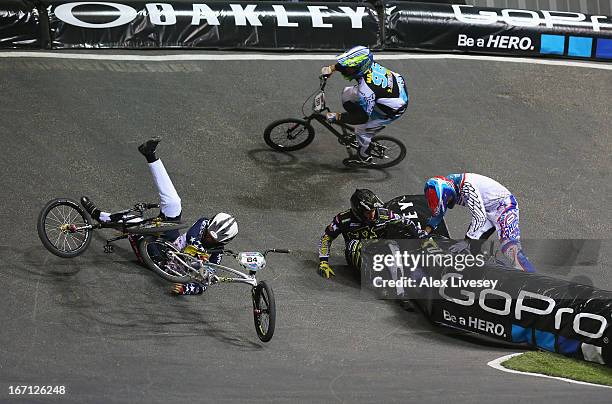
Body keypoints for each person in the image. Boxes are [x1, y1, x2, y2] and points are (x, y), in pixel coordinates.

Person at [80, 137, 239, 295]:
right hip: (171, 241)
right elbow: (191, 236)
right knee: (173, 203)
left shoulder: (217, 254)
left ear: (222, 242)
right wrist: (200, 253)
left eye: (213, 239)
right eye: (209, 233)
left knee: (135, 222)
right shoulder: (204, 222)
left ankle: (100, 216)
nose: (208, 238)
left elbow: (204, 283)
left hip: (158, 257)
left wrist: (186, 289)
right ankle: (150, 154)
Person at [423, 173, 535, 273]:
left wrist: (466, 241)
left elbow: (479, 217)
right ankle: (488, 271)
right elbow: (439, 213)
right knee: (472, 250)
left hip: (504, 205)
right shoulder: (447, 184)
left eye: (447, 200)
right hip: (486, 210)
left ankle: (532, 281)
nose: (448, 202)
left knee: (510, 248)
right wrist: (425, 231)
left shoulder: (466, 187)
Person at [321, 46, 409, 164]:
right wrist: (333, 68)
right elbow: (351, 66)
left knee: (361, 131)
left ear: (360, 67)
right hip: (388, 93)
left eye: (349, 68)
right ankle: (355, 116)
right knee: (347, 93)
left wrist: (338, 117)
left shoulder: (366, 90)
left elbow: (363, 117)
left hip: (390, 110)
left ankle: (364, 157)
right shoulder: (368, 65)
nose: (347, 70)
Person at [318, 189, 425, 278]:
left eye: (373, 210)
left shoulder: (384, 214)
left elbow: (407, 222)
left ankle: (407, 272)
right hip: (358, 255)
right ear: (358, 211)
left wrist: (423, 237)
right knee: (353, 245)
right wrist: (324, 262)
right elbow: (326, 237)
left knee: (394, 242)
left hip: (380, 250)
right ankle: (372, 278)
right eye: (368, 212)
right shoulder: (343, 219)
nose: (373, 215)